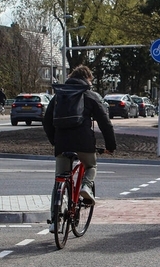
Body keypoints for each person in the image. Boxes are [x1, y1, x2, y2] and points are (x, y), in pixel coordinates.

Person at [43, 65, 116, 216]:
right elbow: (105, 123)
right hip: (84, 142)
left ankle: (54, 220)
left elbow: (46, 121)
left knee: (59, 179)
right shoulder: (90, 95)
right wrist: (110, 146)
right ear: (87, 79)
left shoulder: (59, 96)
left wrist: (55, 141)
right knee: (91, 166)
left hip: (62, 144)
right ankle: (86, 186)